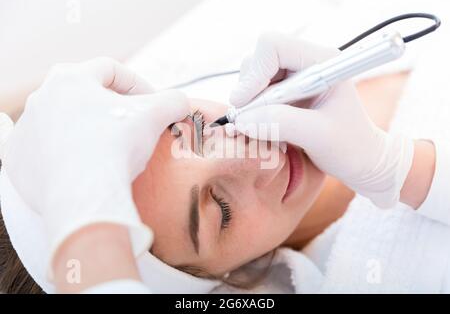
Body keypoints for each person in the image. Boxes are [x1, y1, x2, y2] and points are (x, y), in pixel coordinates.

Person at [1, 32, 449, 293]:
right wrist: (408, 171)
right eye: (223, 210)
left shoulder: (216, 44)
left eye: (196, 128)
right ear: (225, 280)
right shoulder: (390, 276)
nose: (259, 155)